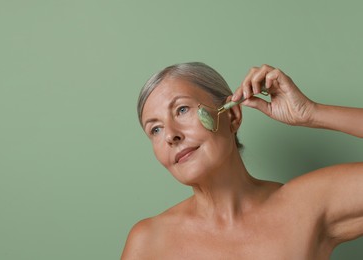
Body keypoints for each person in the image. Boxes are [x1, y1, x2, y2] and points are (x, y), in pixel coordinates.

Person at [121, 62, 363, 259]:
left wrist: (311, 113)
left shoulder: (307, 206)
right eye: (155, 130)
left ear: (233, 115)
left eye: (182, 110)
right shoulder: (148, 242)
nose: (171, 135)